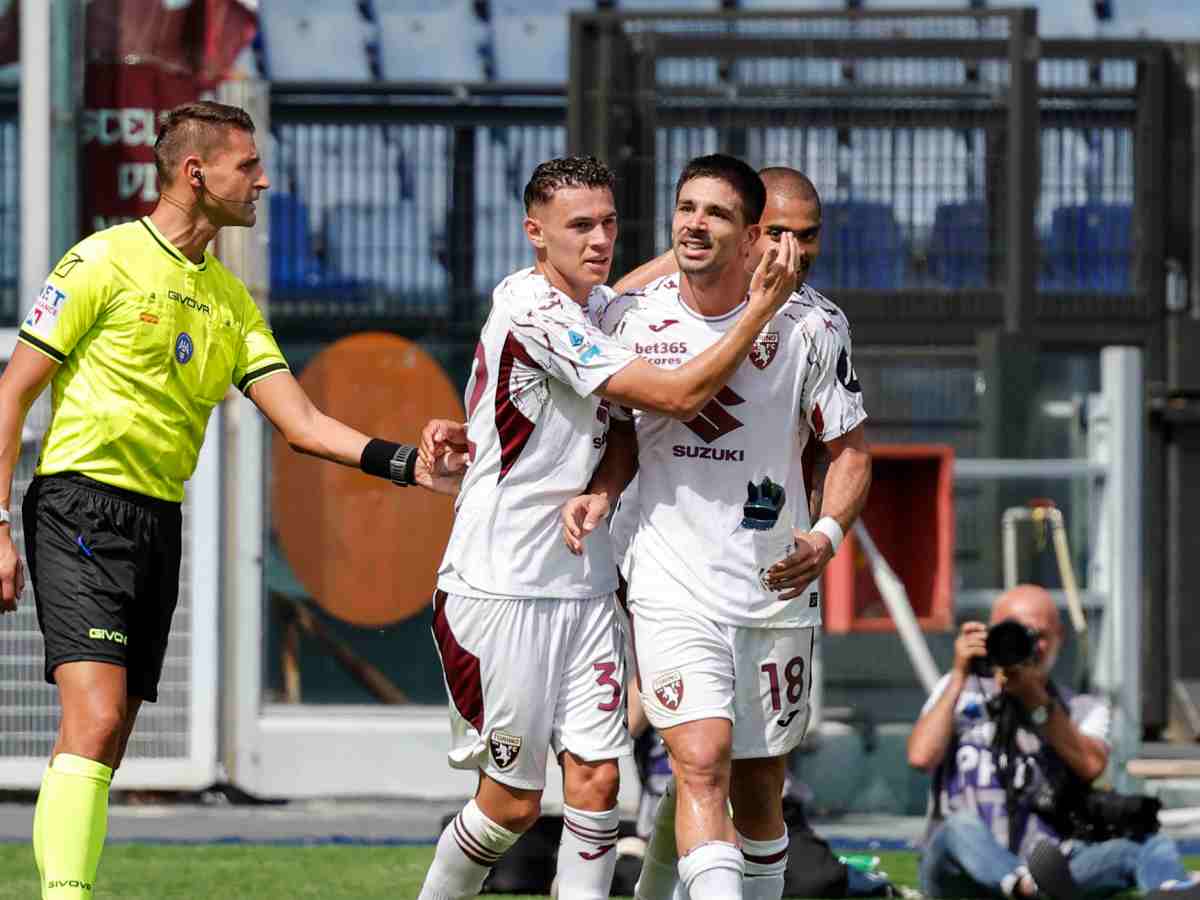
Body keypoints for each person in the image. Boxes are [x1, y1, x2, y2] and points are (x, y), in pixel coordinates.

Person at [0, 100, 453, 900]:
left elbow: (304, 424)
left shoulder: (232, 302)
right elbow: (11, 393)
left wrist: (408, 463)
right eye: (248, 166)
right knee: (96, 717)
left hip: (156, 520)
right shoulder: (100, 261)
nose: (264, 181)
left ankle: (67, 884)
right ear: (194, 171)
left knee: (106, 741)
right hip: (78, 507)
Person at [415, 155, 802, 900]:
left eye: (609, 223)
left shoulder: (599, 307)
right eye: (579, 226)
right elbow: (677, 393)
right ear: (534, 234)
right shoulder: (533, 309)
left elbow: (622, 426)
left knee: (598, 786)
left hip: (586, 583)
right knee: (512, 805)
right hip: (501, 586)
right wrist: (759, 303)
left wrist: (734, 229)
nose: (600, 240)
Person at [563, 154, 872, 900]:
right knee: (700, 761)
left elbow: (850, 451)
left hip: (771, 586)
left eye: (716, 214)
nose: (794, 252)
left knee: (760, 790)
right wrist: (603, 493)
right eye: (686, 210)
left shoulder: (816, 327)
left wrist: (824, 536)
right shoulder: (636, 315)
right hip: (671, 580)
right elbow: (622, 418)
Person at [908, 583, 1200, 900]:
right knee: (957, 826)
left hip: (1050, 869)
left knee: (1148, 843)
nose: (1033, 646)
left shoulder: (1083, 708)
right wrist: (959, 674)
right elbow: (921, 757)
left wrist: (1036, 699)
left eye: (1040, 636)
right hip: (958, 872)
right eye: (1017, 632)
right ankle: (1022, 885)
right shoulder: (956, 691)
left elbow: (1090, 766)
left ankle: (1173, 892)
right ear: (992, 633)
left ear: (1059, 638)